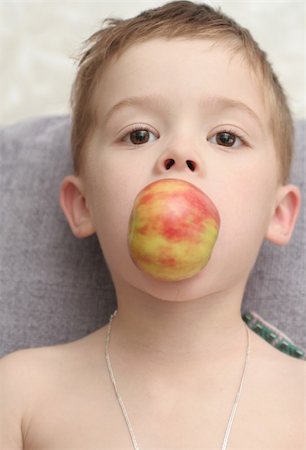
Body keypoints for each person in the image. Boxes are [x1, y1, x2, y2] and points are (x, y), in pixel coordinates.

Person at [0, 1, 305, 449]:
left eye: (225, 137)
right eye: (139, 134)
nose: (180, 152)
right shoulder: (22, 395)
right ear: (82, 205)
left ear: (278, 215)